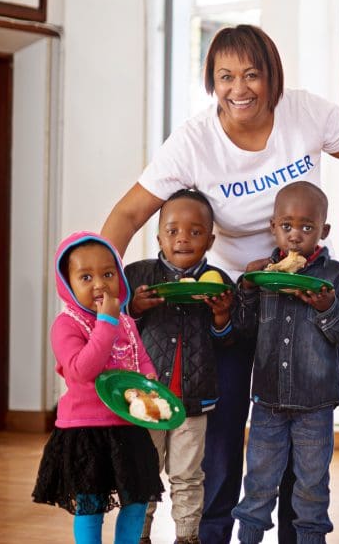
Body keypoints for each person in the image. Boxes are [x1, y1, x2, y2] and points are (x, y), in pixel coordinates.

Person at [100, 24, 339, 544]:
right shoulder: (194, 141)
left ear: (271, 76)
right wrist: (99, 295)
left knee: (301, 430)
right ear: (211, 80)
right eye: (225, 76)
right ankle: (212, 534)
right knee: (225, 433)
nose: (239, 88)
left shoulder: (305, 113)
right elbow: (128, 213)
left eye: (251, 74)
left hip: (302, 299)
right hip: (234, 301)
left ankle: (301, 536)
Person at [232, 182, 339, 543]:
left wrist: (328, 309)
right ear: (273, 227)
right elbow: (242, 329)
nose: (295, 236)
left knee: (312, 487)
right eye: (287, 226)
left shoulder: (337, 277)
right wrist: (246, 289)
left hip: (316, 404)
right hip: (267, 402)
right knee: (259, 483)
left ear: (323, 231)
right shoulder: (261, 276)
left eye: (307, 228)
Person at [32, 232, 165, 544]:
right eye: (86, 277)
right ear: (67, 285)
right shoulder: (66, 325)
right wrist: (106, 323)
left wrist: (150, 385)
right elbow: (81, 370)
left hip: (127, 427)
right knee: (91, 506)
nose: (100, 284)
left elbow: (140, 359)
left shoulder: (125, 320)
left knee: (137, 502)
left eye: (108, 274)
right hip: (86, 431)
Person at [124, 190, 238, 544]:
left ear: (210, 239)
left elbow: (226, 340)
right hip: (147, 400)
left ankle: (187, 537)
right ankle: (137, 536)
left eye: (194, 231)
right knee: (142, 471)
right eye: (172, 231)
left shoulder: (218, 281)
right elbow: (117, 331)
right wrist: (136, 308)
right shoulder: (138, 274)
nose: (183, 239)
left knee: (188, 476)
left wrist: (221, 314)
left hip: (194, 401)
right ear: (158, 237)